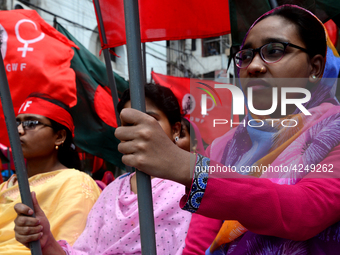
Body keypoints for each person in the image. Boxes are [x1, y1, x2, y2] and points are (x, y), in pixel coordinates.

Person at [114, 4, 340, 254]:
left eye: (274, 51)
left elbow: (304, 211)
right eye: (245, 56)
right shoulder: (225, 147)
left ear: (316, 68)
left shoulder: (335, 130)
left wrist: (187, 167)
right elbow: (200, 243)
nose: (253, 66)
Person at [14, 84, 192, 255]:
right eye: (128, 123)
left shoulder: (192, 189)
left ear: (176, 130)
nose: (137, 130)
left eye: (150, 120)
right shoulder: (113, 191)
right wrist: (46, 241)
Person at [0, 93, 101, 254]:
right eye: (16, 123)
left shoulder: (76, 183)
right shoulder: (6, 185)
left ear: (59, 136)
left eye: (31, 123)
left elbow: (71, 246)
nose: (18, 130)